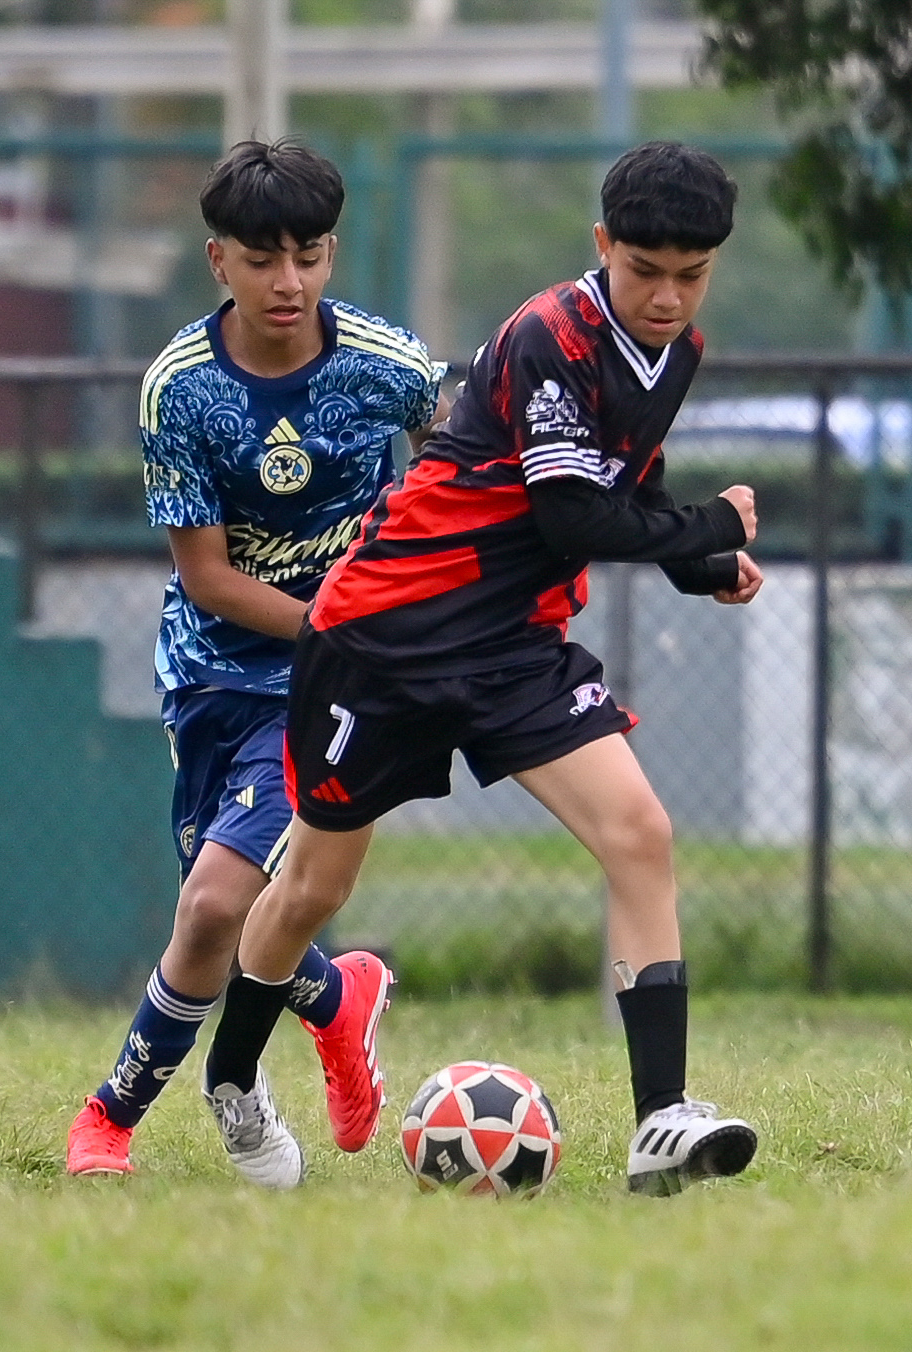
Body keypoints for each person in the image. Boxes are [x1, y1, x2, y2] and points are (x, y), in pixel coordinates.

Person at [200, 141, 764, 1196]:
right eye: (646, 271)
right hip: (386, 635)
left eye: (692, 275)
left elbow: (618, 489)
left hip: (512, 645)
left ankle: (660, 1121)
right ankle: (232, 1079)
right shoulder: (553, 334)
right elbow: (569, 508)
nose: (668, 296)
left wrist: (703, 563)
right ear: (604, 248)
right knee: (313, 887)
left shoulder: (673, 357)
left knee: (638, 832)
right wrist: (708, 525)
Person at [66, 139, 444, 1186]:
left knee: (212, 907)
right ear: (216, 260)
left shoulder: (391, 367)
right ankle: (336, 995)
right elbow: (211, 578)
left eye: (311, 255)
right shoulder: (177, 391)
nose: (291, 282)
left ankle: (111, 1116)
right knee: (217, 913)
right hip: (211, 675)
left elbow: (473, 471)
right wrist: (337, 620)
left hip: (329, 684)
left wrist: (423, 601)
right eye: (264, 258)